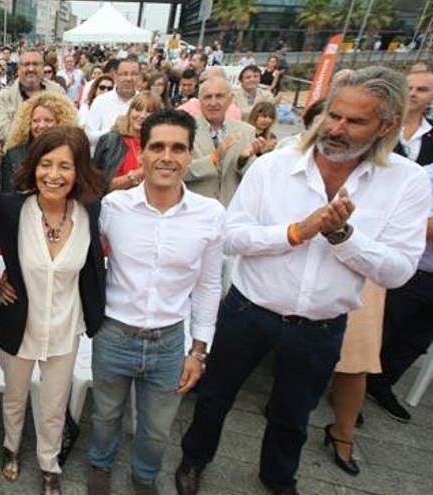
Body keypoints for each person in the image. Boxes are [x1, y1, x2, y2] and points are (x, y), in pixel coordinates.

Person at [176, 67, 431, 495]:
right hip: (249, 311)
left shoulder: (405, 183)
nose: (336, 128)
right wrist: (296, 232)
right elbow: (233, 237)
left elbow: (398, 270)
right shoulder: (274, 168)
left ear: (385, 125)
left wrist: (343, 237)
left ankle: (277, 479)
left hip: (322, 324)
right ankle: (194, 459)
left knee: (294, 413)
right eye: (334, 114)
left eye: (355, 121)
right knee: (215, 396)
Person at [88, 107, 224, 495]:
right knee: (105, 414)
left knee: (156, 429)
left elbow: (208, 286)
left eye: (178, 148)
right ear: (142, 152)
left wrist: (198, 351)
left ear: (189, 154)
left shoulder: (210, 215)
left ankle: (145, 476)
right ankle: (100, 466)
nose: (167, 156)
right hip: (114, 333)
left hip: (170, 341)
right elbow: (82, 260)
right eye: (158, 146)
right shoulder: (114, 208)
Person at [0, 127, 106, 495]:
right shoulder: (12, 208)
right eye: (45, 164)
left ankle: (49, 463)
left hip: (64, 326)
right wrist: (0, 279)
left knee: (54, 405)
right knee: (14, 397)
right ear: (33, 166)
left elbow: (93, 270)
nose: (53, 175)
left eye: (65, 166)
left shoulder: (90, 213)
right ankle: (11, 448)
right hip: (19, 322)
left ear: (79, 172)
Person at [365, 70, 433, 424]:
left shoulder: (431, 139)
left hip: (414, 261)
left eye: (423, 89)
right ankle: (353, 386)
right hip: (393, 250)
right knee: (383, 324)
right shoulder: (380, 136)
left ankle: (382, 382)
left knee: (417, 335)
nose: (415, 94)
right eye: (410, 88)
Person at [184, 77, 263, 206]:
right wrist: (214, 157)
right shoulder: (185, 130)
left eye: (219, 96)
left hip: (232, 210)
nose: (213, 102)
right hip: (195, 210)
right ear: (200, 101)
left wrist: (243, 161)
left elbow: (252, 178)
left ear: (230, 99)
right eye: (207, 97)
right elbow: (180, 173)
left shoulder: (246, 131)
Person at [1, 92, 78, 193]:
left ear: (61, 122)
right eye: (36, 121)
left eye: (48, 120)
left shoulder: (73, 153)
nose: (41, 126)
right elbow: (8, 196)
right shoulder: (13, 155)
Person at [0, 50, 66, 142]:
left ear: (42, 68)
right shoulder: (4, 98)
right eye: (26, 64)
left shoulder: (57, 92)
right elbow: (0, 131)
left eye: (35, 64)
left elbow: (68, 125)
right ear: (18, 69)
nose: (31, 69)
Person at [94, 92, 163, 191]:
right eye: (138, 109)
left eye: (149, 111)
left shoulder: (160, 145)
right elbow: (102, 186)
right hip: (115, 203)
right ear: (130, 111)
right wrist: (139, 173)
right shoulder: (112, 141)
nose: (142, 115)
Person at [85, 58, 140, 147]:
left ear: (139, 77)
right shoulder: (100, 101)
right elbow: (89, 136)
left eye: (133, 74)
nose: (129, 78)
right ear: (115, 76)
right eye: (124, 74)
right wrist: (112, 130)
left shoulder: (144, 102)